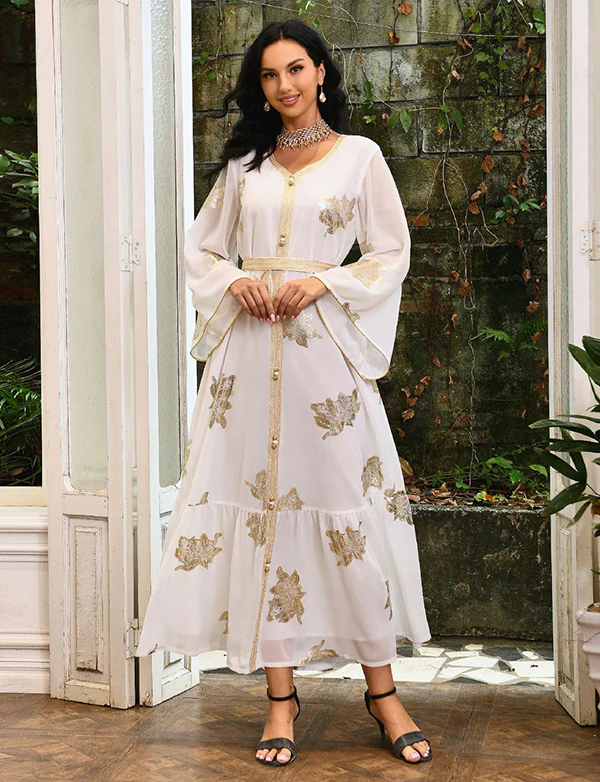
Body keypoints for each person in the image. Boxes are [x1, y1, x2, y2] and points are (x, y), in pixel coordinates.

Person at [136, 17, 433, 768]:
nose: (284, 85)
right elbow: (201, 247)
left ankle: (383, 693)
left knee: (342, 511)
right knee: (261, 513)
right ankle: (280, 698)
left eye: (296, 69)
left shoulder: (361, 158)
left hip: (323, 362)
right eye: (270, 75)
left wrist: (324, 282)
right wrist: (236, 280)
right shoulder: (247, 165)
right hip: (248, 359)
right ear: (261, 88)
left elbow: (391, 252)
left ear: (321, 72)